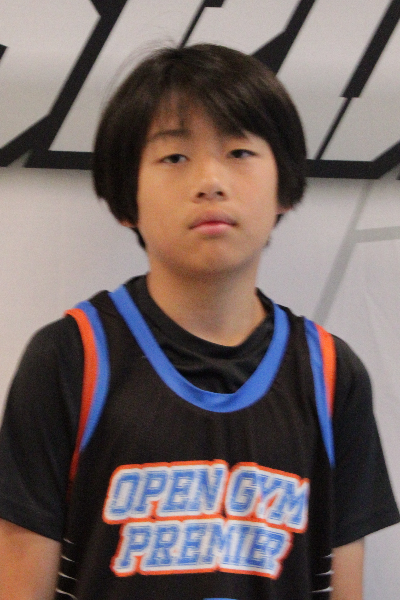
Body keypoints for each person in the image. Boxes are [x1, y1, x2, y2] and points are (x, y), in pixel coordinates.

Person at [0, 44, 398, 600]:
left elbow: (344, 583)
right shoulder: (70, 359)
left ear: (284, 185)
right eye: (174, 157)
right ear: (127, 196)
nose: (210, 180)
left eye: (239, 151)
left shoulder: (331, 374)